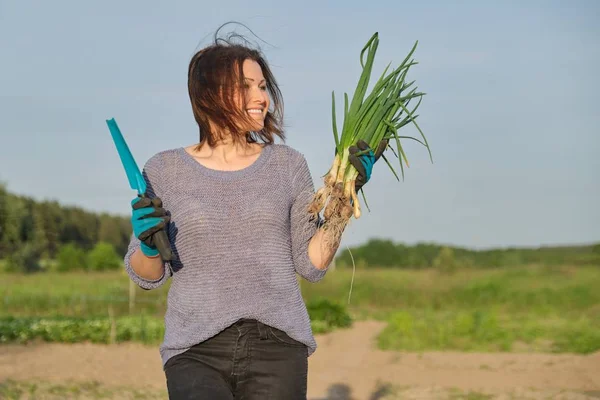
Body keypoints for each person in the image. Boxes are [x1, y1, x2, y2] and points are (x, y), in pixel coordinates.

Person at [123, 28, 386, 400]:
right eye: (247, 86)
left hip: (277, 347)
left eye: (263, 87)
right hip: (195, 350)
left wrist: (346, 196)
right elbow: (146, 276)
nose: (262, 98)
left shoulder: (287, 165)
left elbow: (312, 263)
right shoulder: (164, 171)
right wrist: (149, 247)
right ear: (210, 93)